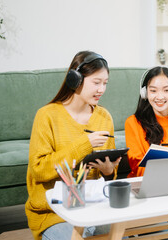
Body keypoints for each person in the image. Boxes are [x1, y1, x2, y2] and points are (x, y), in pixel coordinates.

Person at [25, 51, 121, 240]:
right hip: (55, 212)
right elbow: (39, 170)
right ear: (75, 79)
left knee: (124, 235)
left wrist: (108, 171)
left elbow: (109, 173)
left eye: (105, 83)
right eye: (96, 82)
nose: (102, 89)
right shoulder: (47, 116)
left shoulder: (104, 117)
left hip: (95, 207)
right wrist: (85, 144)